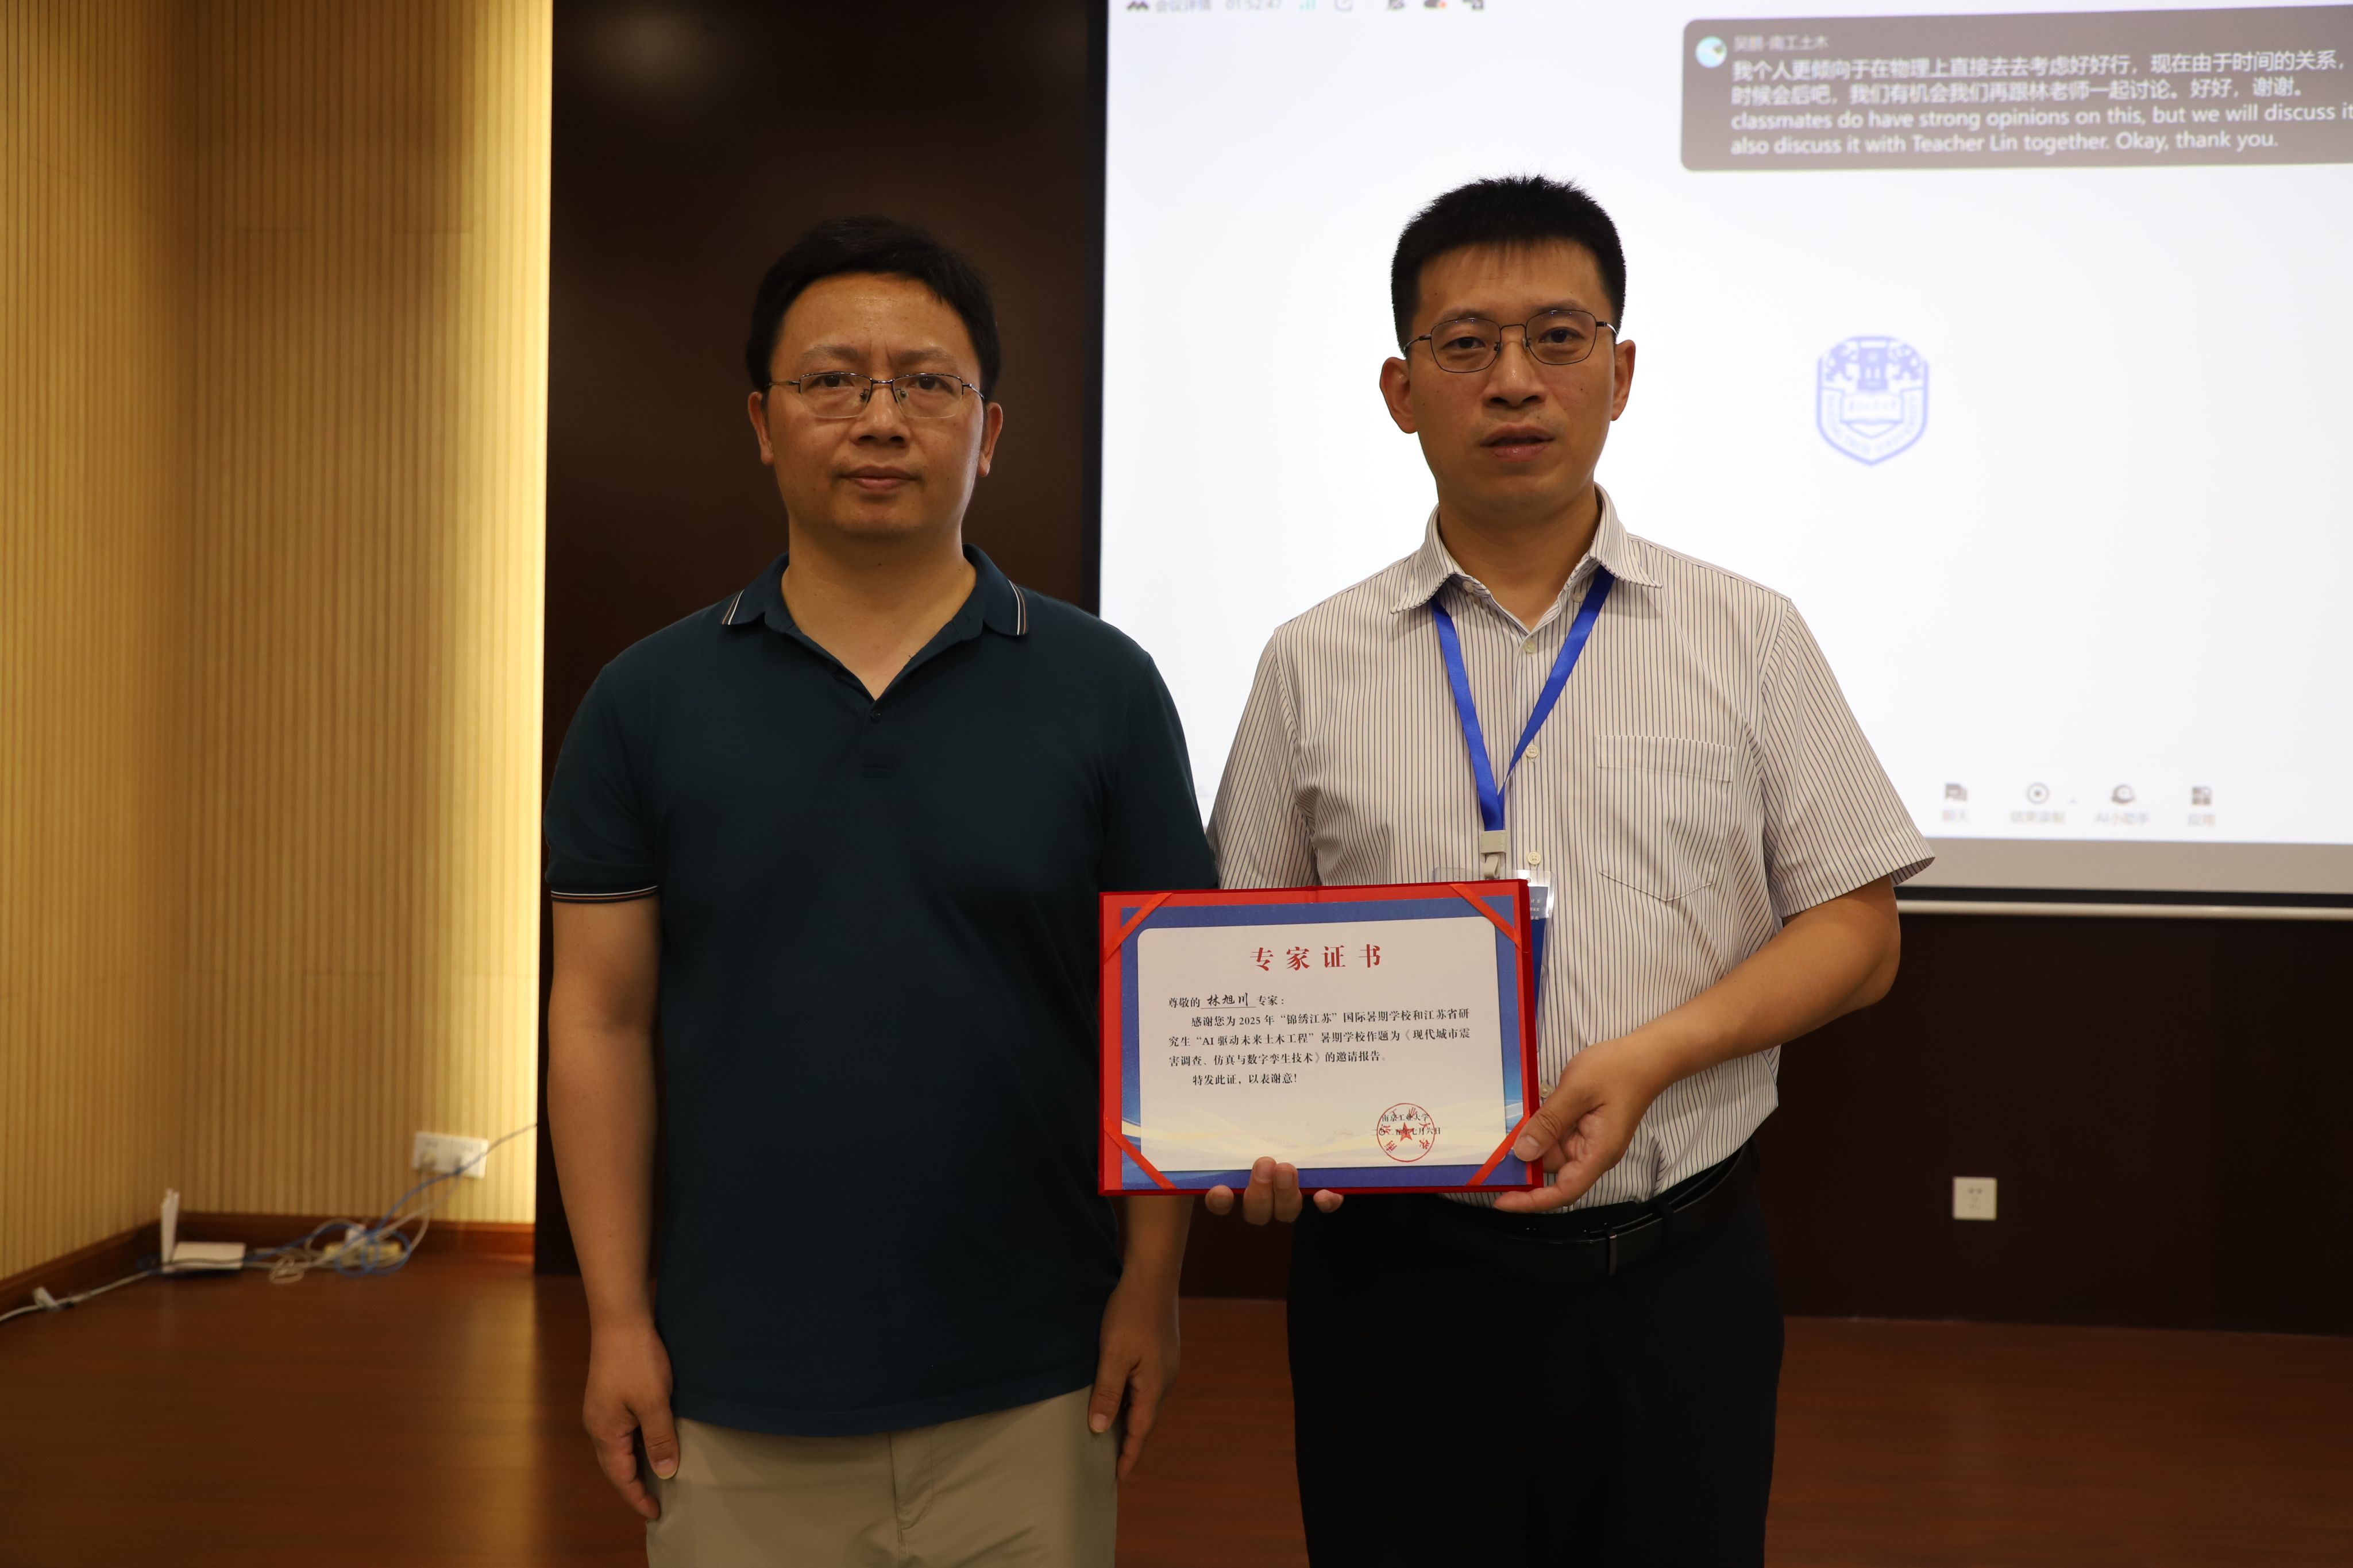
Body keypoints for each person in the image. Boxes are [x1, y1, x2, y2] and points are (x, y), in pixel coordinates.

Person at [1204, 175, 1933, 1565]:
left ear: (1620, 372)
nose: (1513, 381)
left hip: (1674, 1281)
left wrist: (1654, 1055)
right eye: (1464, 345)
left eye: (1556, 337)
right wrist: (1248, 1125)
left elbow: (1858, 929)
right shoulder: (1308, 661)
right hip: (1395, 1290)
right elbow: (1244, 953)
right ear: (1400, 390)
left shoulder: (1747, 634)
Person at [543, 216, 1211, 1566]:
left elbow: (1169, 1008)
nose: (880, 418)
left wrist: (1151, 1288)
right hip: (731, 1382)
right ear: (761, 420)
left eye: (926, 382)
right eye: (832, 380)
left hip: (1037, 1375)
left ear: (989, 429)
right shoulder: (644, 701)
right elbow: (600, 1018)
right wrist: (616, 1319)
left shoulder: (1105, 688)